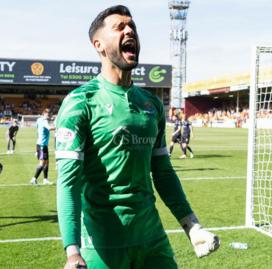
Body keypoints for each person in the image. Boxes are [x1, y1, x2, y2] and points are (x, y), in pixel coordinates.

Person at [55, 6, 219, 269]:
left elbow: (163, 172)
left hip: (152, 239)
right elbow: (68, 183)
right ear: (98, 44)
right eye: (119, 27)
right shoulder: (80, 102)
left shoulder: (151, 104)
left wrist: (192, 225)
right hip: (102, 245)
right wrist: (72, 252)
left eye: (132, 26)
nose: (129, 30)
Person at [30, 108, 54, 185]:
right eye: (48, 114)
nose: (49, 115)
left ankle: (45, 180)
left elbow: (37, 130)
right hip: (42, 145)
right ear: (44, 113)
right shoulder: (44, 121)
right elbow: (50, 128)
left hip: (40, 144)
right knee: (42, 163)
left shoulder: (39, 119)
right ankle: (34, 179)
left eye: (50, 114)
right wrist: (60, 126)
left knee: (46, 162)